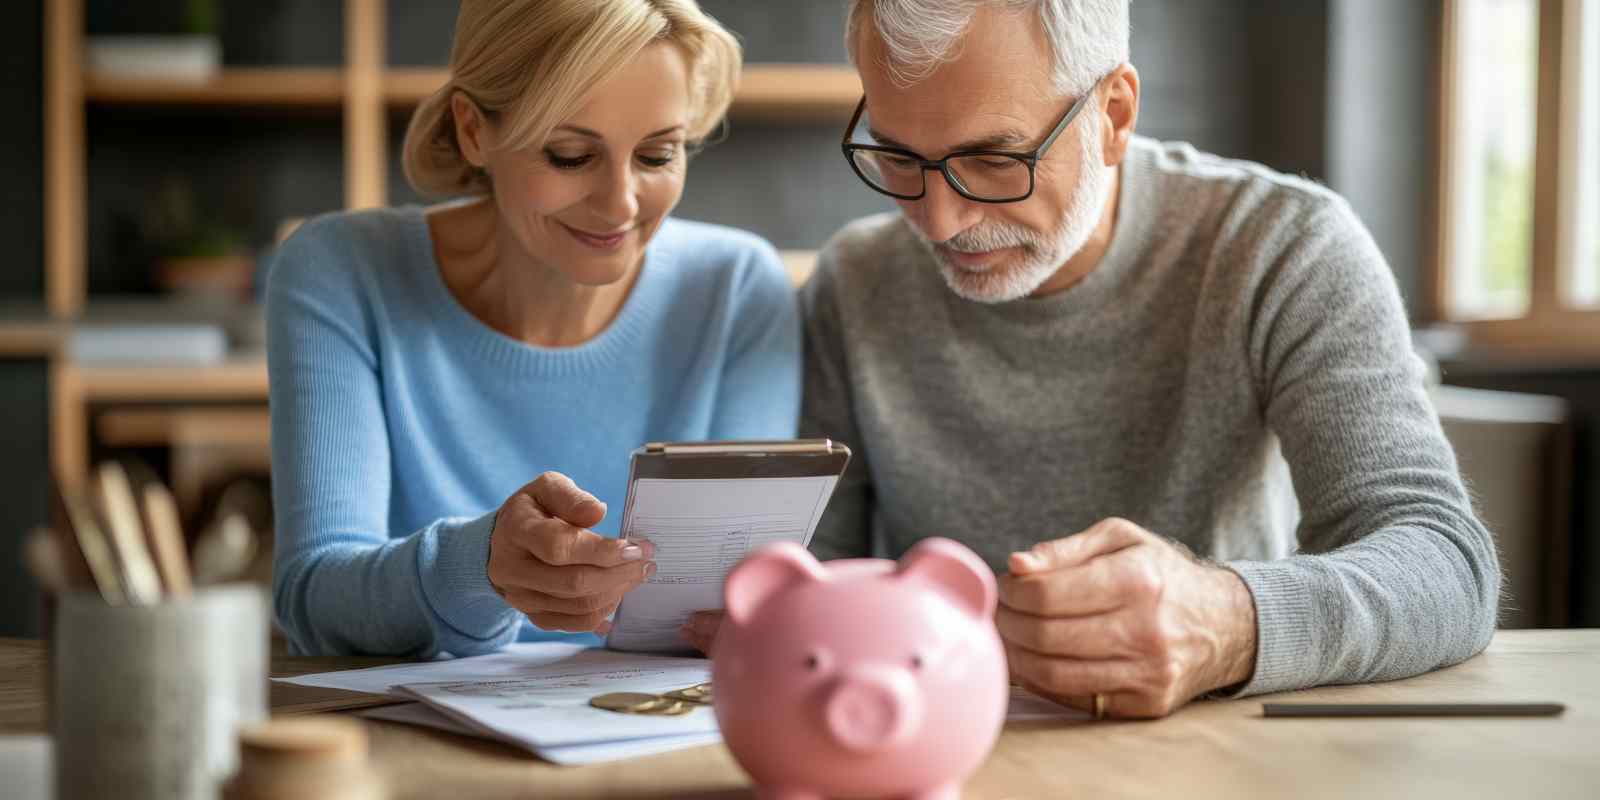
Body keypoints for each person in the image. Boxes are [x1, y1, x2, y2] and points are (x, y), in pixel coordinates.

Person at [682, 0, 1499, 719]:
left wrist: (1229, 620)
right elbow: (819, 569)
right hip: (936, 744)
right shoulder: (854, 281)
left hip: (1212, 757)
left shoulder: (1280, 247)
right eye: (898, 158)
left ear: (1113, 114)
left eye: (994, 160)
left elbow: (1446, 562)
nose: (938, 221)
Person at [267, 0, 799, 657]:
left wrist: (757, 611)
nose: (621, 204)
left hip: (659, 731)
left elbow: (750, 592)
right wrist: (479, 565)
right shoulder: (344, 272)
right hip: (414, 743)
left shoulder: (737, 287)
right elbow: (312, 598)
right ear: (472, 130)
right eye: (571, 155)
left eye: (658, 155)